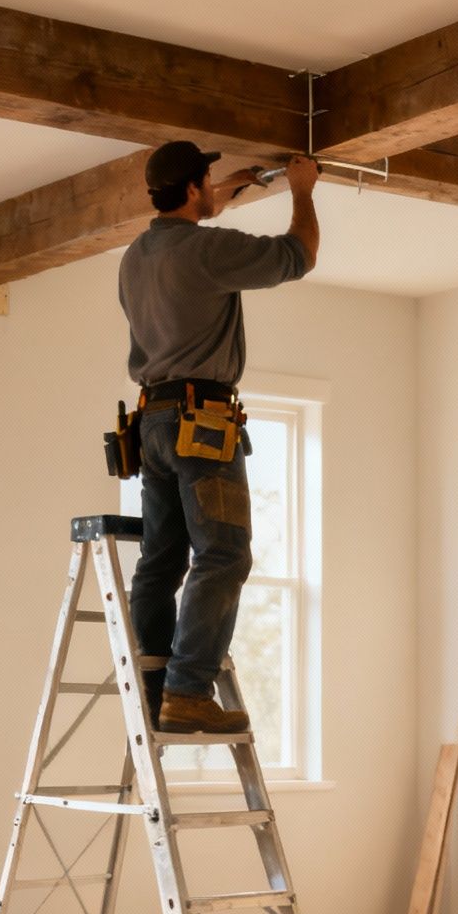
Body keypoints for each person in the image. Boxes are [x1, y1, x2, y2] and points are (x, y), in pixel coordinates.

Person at [119, 140, 320, 734]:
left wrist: (238, 184)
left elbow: (193, 225)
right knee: (224, 554)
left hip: (151, 422)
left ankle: (156, 691)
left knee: (160, 560)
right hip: (201, 425)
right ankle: (188, 690)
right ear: (189, 190)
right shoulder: (208, 250)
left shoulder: (135, 256)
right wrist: (302, 191)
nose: (212, 189)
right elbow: (297, 255)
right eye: (205, 181)